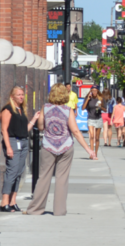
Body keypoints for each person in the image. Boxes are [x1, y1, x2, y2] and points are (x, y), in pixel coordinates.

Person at [27, 84, 96, 216]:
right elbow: (75, 131)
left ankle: (35, 209)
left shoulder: (45, 108)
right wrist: (88, 150)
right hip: (65, 146)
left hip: (48, 146)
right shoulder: (68, 110)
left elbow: (40, 126)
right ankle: (59, 210)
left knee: (43, 177)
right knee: (62, 178)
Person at [0, 86, 41, 213]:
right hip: (13, 141)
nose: (21, 97)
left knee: (19, 172)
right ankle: (4, 201)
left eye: (22, 95)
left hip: (23, 141)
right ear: (12, 96)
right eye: (18, 95)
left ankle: (13, 201)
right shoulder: (8, 109)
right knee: (11, 171)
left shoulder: (21, 110)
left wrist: (33, 119)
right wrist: (8, 147)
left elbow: (24, 130)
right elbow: (4, 130)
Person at [84, 89, 106, 158]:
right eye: (93, 91)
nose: (94, 92)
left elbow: (105, 109)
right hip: (90, 118)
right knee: (92, 136)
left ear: (98, 92)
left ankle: (95, 153)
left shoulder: (101, 99)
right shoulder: (88, 99)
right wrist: (87, 99)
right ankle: (91, 153)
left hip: (98, 119)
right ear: (90, 92)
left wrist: (100, 107)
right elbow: (83, 108)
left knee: (97, 138)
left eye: (96, 91)